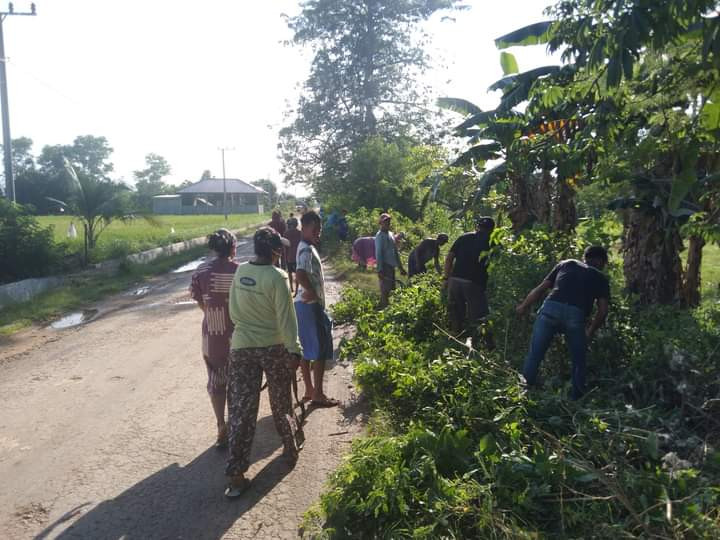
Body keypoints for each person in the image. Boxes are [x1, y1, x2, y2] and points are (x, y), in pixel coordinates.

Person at [225, 227, 304, 497]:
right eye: (279, 248)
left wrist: (247, 329)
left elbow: (233, 310)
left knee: (240, 410)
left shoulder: (241, 272)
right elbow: (287, 319)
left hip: (242, 347)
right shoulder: (277, 277)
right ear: (274, 251)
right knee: (281, 402)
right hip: (273, 347)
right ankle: (290, 450)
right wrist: (294, 350)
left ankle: (235, 476)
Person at [516, 246, 610, 400]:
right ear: (601, 261)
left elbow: (540, 289)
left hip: (550, 309)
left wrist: (523, 307)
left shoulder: (567, 263)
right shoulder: (600, 277)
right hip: (575, 315)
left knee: (535, 355)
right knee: (578, 360)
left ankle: (521, 393)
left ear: (584, 257)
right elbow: (603, 310)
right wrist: (590, 331)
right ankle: (576, 400)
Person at [189, 229, 239, 449]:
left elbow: (201, 303)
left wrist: (214, 314)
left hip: (212, 335)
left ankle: (221, 425)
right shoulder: (240, 271)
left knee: (216, 381)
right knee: (238, 382)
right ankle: (236, 425)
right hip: (239, 335)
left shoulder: (201, 270)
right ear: (232, 248)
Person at [294, 210, 340, 407]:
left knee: (305, 349)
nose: (318, 233)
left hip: (302, 306)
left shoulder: (304, 246)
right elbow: (300, 274)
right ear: (303, 228)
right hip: (310, 306)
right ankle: (318, 394)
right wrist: (312, 291)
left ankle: (309, 390)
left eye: (319, 229)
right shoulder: (305, 249)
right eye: (314, 229)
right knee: (320, 350)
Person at [443, 217, 495, 347]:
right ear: (492, 230)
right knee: (478, 318)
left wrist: (446, 278)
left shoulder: (464, 237)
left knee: (455, 314)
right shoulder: (492, 242)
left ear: (477, 226)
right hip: (474, 284)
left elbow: (449, 259)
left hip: (455, 281)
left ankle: (455, 343)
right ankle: (478, 346)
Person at [375, 213, 407, 308]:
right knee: (385, 289)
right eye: (385, 222)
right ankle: (383, 308)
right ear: (380, 223)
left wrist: (400, 267)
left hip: (391, 265)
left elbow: (395, 252)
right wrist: (380, 269)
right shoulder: (379, 236)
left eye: (388, 221)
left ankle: (384, 307)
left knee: (390, 288)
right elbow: (379, 254)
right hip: (384, 265)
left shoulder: (390, 234)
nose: (387, 223)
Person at [283, 218, 302, 294]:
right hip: (298, 257)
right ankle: (297, 290)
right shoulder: (300, 233)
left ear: (289, 225)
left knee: (290, 273)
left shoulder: (286, 233)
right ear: (296, 224)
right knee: (297, 274)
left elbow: (285, 248)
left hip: (289, 257)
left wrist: (285, 258)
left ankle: (291, 288)